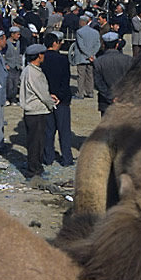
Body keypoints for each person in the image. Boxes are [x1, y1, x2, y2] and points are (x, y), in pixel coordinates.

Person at [19, 43, 59, 180]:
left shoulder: (29, 70)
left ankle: (37, 168)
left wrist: (49, 96)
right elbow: (42, 94)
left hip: (33, 110)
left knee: (37, 142)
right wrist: (52, 103)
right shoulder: (34, 73)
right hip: (36, 112)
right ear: (39, 56)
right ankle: (33, 172)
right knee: (36, 143)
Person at [41, 32, 74, 167]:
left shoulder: (41, 58)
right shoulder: (62, 59)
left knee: (48, 131)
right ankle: (67, 158)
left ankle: (48, 158)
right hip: (61, 100)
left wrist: (48, 95)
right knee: (64, 131)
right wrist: (59, 96)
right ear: (55, 43)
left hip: (46, 98)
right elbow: (65, 80)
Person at [93, 32, 133, 116]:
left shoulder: (98, 62)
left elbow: (98, 83)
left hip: (105, 101)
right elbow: (131, 81)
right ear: (117, 44)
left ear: (103, 44)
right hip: (124, 100)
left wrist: (111, 97)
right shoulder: (128, 60)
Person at [72, 15, 101, 99]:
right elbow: (98, 44)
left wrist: (87, 55)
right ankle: (90, 92)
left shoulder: (79, 32)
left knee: (81, 76)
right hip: (92, 56)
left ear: (82, 22)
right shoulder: (95, 32)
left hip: (82, 57)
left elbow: (81, 46)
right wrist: (92, 54)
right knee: (90, 75)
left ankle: (80, 93)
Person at [4, 26, 22, 106]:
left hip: (17, 66)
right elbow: (3, 55)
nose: (18, 36)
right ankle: (7, 98)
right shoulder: (6, 43)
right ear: (12, 34)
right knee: (9, 84)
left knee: (15, 84)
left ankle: (13, 99)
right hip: (9, 66)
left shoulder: (18, 43)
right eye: (17, 34)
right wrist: (5, 64)